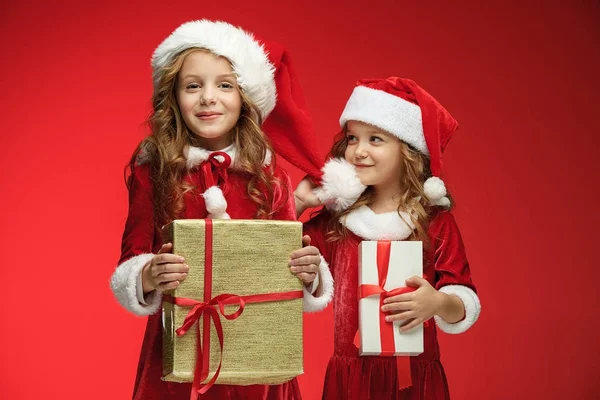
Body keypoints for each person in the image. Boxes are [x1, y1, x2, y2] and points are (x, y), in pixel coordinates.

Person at [109, 19, 333, 400]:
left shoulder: (269, 174)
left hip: (256, 348)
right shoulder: (154, 170)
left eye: (224, 85)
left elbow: (287, 258)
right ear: (174, 97)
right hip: (178, 345)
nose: (208, 97)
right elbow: (131, 260)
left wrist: (311, 274)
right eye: (193, 85)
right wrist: (148, 274)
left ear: (246, 97)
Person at [294, 77, 481, 399]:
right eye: (352, 138)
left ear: (408, 150)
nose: (359, 150)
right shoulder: (337, 220)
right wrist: (298, 203)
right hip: (351, 378)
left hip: (415, 378)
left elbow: (462, 303)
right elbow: (276, 248)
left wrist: (437, 302)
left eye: (375, 139)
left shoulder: (434, 223)